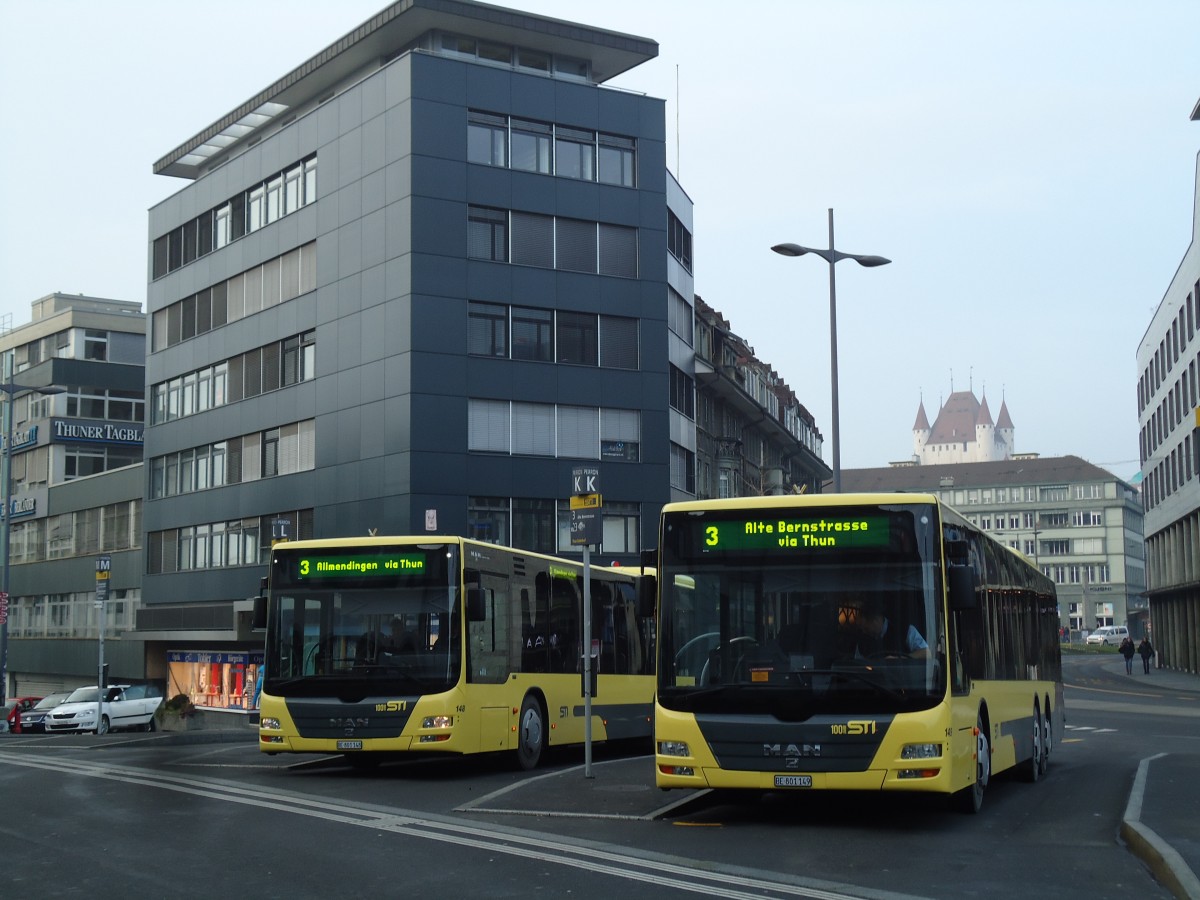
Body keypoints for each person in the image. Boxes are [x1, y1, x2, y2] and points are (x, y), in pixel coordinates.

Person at [839, 595, 928, 659]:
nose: (863, 631)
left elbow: (926, 652)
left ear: (876, 620)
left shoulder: (906, 630)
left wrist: (901, 659)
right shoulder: (863, 642)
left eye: (865, 627)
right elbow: (858, 665)